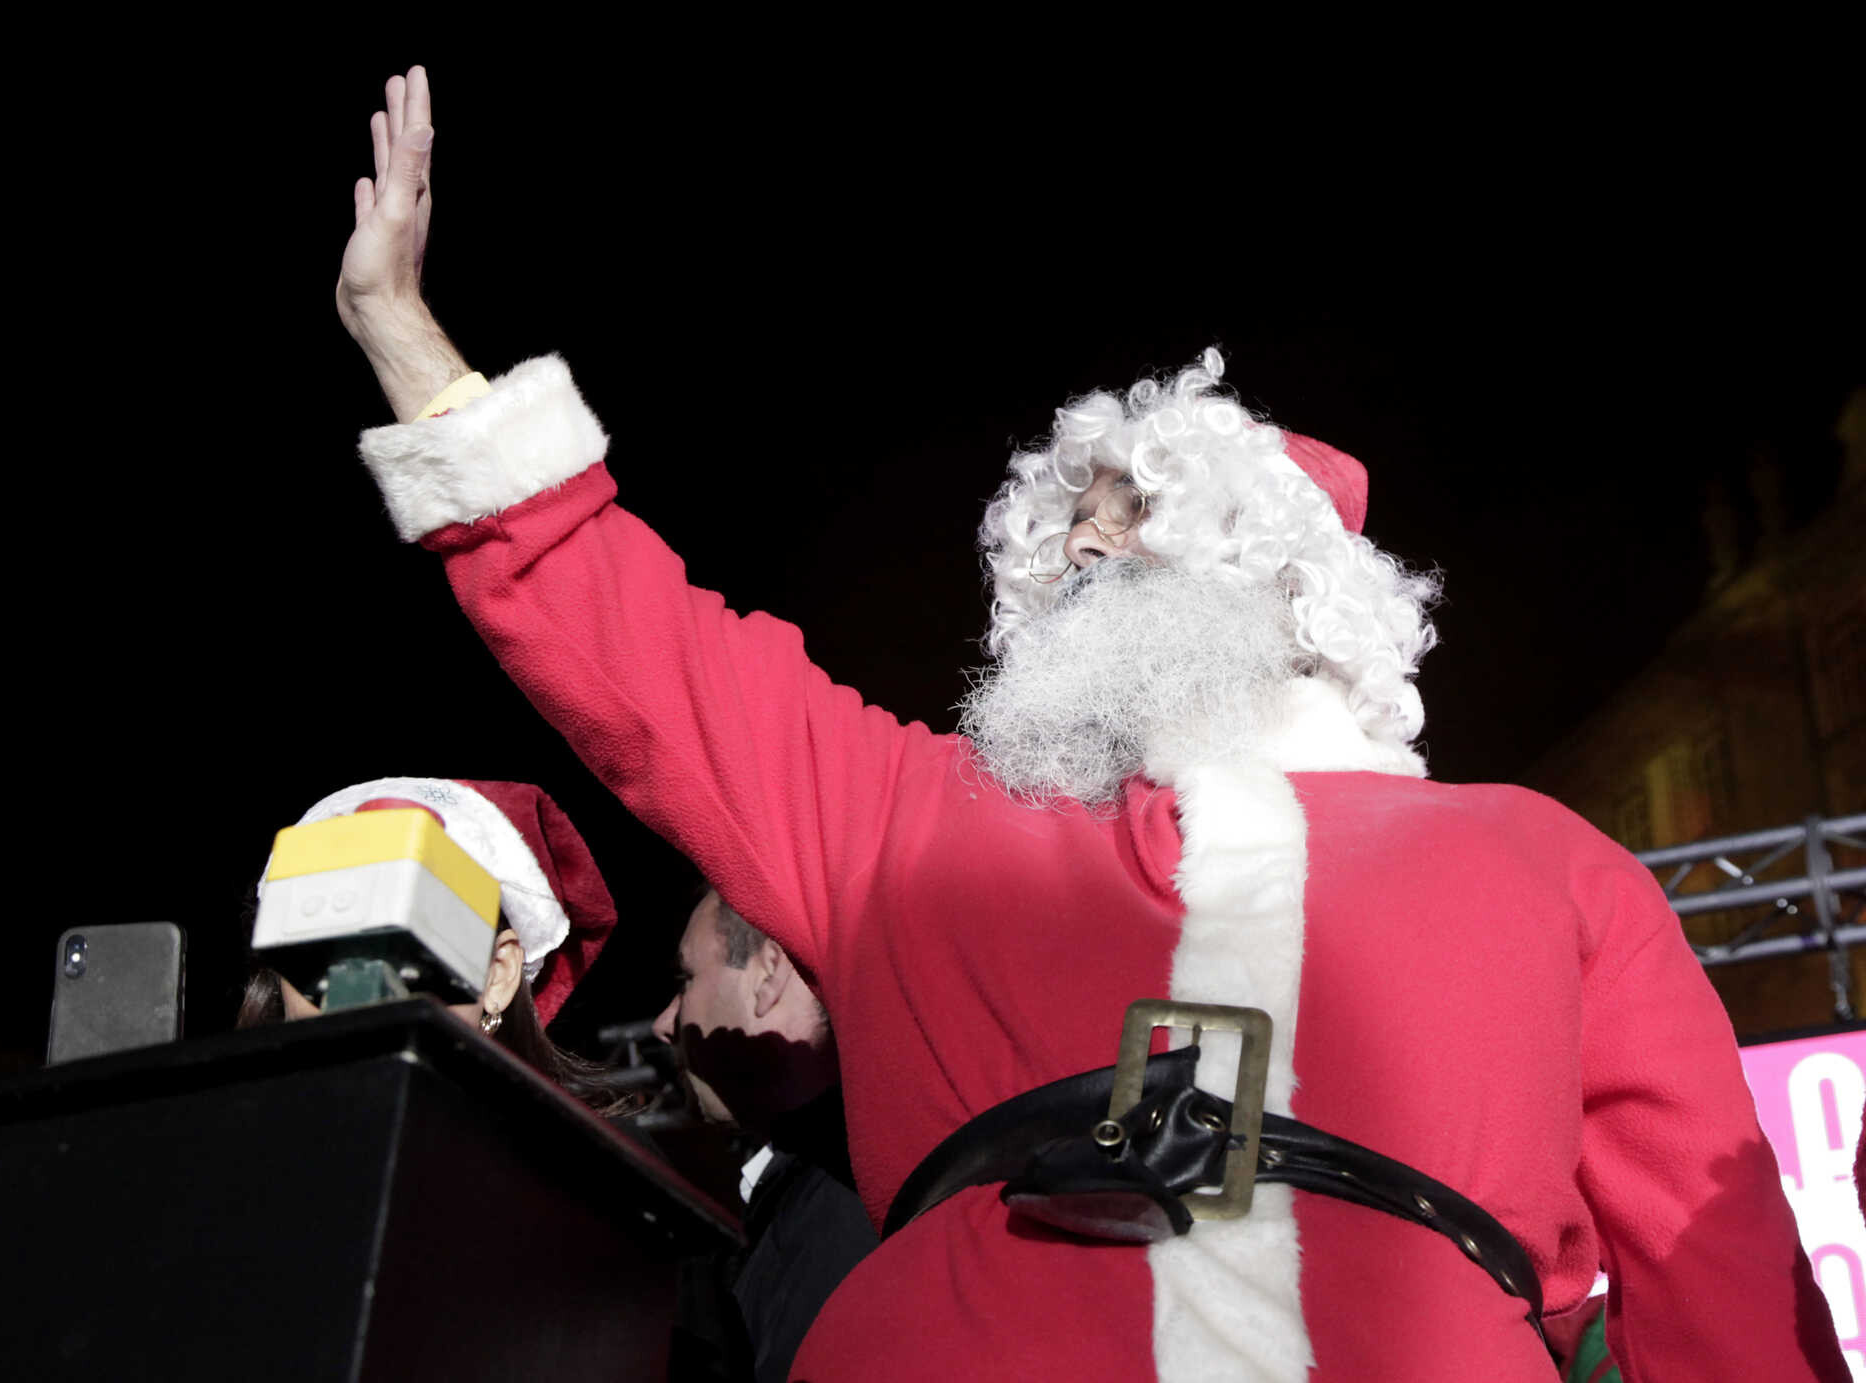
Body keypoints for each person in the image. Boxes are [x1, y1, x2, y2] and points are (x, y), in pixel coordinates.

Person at [330, 68, 1846, 1382]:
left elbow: (1720, 1290)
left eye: (1137, 521)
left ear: (1286, 584)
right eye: (1063, 532)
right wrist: (408, 341)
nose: (1082, 553)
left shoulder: (1543, 857)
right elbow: (650, 653)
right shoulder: (906, 824)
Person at [238, 775, 631, 1112]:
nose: (361, 977)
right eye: (318, 942)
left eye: (407, 941)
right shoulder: (213, 1145)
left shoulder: (582, 1174)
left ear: (498, 973)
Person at [656, 889, 878, 1383]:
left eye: (686, 979)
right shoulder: (845, 1184)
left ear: (770, 971)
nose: (664, 1024)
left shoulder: (845, 1208)